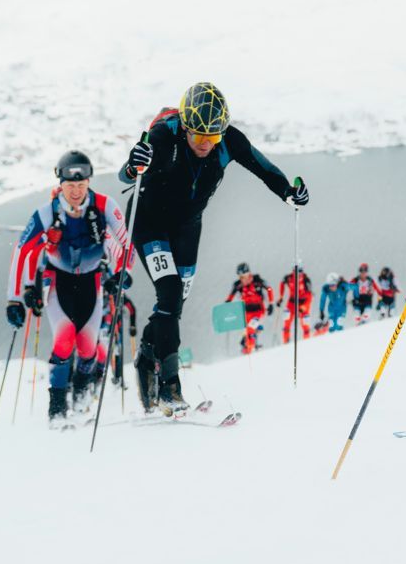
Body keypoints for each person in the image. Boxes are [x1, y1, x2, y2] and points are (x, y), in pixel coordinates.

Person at [119, 83, 309, 412]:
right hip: (150, 223)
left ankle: (146, 357)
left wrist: (288, 192)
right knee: (169, 290)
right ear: (186, 128)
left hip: (187, 229)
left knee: (174, 304)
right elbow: (128, 174)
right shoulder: (166, 135)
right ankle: (170, 388)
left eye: (213, 137)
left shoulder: (228, 139)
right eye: (198, 136)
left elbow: (263, 168)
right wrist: (133, 164)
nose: (206, 143)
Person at [5, 150, 131, 423]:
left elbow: (126, 243)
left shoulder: (105, 206)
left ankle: (81, 397)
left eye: (81, 185)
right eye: (70, 185)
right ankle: (57, 410)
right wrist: (16, 298)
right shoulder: (47, 212)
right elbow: (23, 250)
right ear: (60, 183)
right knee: (64, 342)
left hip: (91, 281)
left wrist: (122, 273)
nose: (75, 191)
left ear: (89, 182)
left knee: (87, 348)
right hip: (58, 281)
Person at [238, 272, 273, 354]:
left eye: (245, 277)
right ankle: (248, 347)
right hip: (247, 313)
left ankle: (251, 348)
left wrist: (271, 303)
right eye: (242, 278)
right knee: (248, 331)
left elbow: (269, 288)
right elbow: (231, 296)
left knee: (251, 329)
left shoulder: (257, 281)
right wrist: (228, 303)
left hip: (259, 312)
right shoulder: (239, 285)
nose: (244, 280)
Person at [277, 267, 313, 344]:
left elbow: (310, 296)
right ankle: (285, 341)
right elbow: (282, 284)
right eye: (297, 272)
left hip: (303, 302)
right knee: (286, 320)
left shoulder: (306, 281)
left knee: (305, 323)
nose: (299, 275)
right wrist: (281, 297)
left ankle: (307, 341)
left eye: (300, 272)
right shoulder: (289, 278)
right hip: (292, 302)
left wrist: (304, 307)